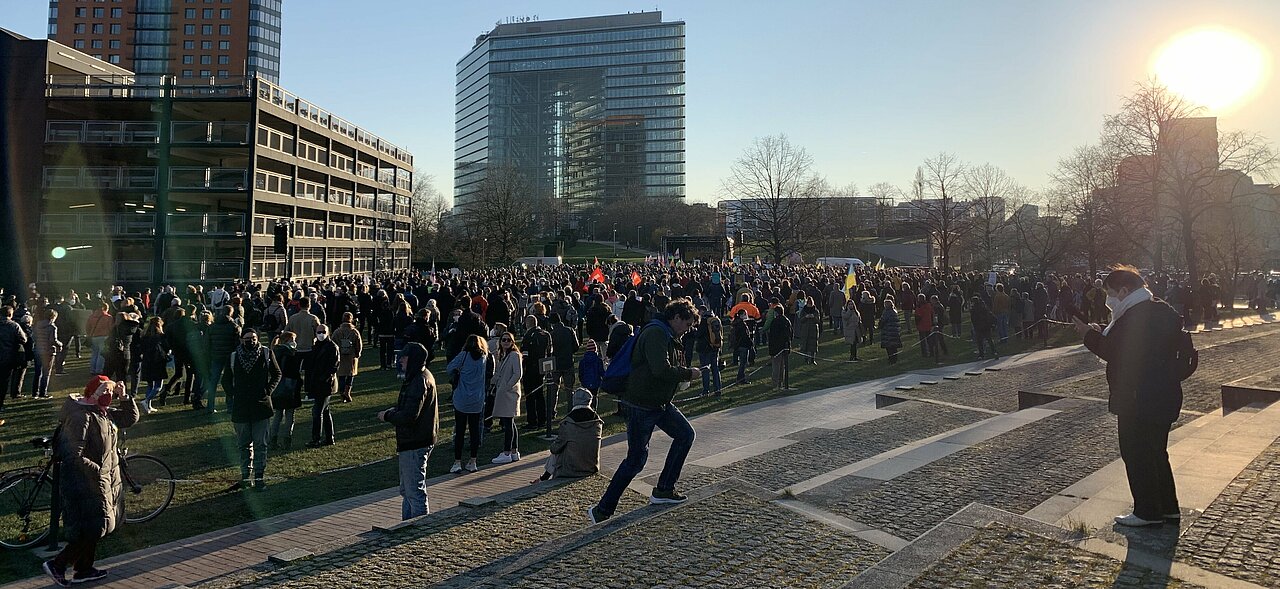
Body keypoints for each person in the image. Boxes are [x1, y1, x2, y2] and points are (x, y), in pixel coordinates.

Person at [1074, 265, 1183, 527]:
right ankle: (1167, 508)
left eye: (1110, 292)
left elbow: (1118, 352)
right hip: (1163, 393)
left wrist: (1087, 335)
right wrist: (1103, 332)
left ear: (1124, 290)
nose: (1108, 299)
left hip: (1138, 397)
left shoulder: (1135, 315)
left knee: (1136, 453)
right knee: (1156, 452)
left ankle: (1147, 512)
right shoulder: (1159, 309)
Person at [589, 298, 700, 524]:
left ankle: (664, 489)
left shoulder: (667, 334)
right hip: (641, 404)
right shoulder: (657, 334)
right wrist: (689, 373)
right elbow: (660, 369)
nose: (687, 331)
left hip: (657, 402)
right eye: (687, 325)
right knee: (636, 460)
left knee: (685, 434)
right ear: (676, 317)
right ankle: (602, 509)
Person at [43, 376, 139, 587]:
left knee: (98, 524)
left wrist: (125, 397)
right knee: (91, 527)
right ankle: (58, 564)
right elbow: (73, 455)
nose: (109, 397)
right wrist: (99, 471)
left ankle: (83, 569)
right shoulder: (81, 417)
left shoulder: (102, 413)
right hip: (84, 481)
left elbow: (129, 419)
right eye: (106, 392)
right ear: (93, 393)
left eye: (111, 393)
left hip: (100, 479)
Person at [378, 342, 439, 520]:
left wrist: (388, 416)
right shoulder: (417, 377)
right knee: (407, 490)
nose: (401, 360)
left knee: (414, 491)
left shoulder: (419, 380)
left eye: (404, 357)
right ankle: (407, 523)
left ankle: (418, 526)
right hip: (414, 440)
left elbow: (410, 415)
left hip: (415, 441)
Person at [221, 330, 281, 490]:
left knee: (261, 444)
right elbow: (225, 379)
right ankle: (246, 477)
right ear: (241, 340)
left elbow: (277, 374)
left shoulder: (266, 354)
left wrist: (268, 391)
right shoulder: (234, 357)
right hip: (241, 406)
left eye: (254, 338)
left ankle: (260, 477)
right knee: (243, 444)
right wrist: (233, 394)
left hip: (261, 406)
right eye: (248, 339)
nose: (251, 342)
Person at [446, 334, 491, 474]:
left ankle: (457, 461)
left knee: (460, 430)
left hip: (461, 397)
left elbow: (449, 368)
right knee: (474, 430)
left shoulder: (464, 355)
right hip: (477, 398)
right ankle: (473, 460)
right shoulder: (484, 357)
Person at [538, 388, 603, 482]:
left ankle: (543, 479)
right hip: (591, 468)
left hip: (570, 470)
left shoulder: (568, 423)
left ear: (574, 400)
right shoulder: (598, 422)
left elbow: (555, 449)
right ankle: (543, 478)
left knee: (559, 448)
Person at [489, 331, 523, 464]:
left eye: (509, 340)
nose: (506, 342)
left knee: (508, 422)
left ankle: (507, 451)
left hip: (509, 392)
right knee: (510, 422)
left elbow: (517, 373)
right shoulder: (503, 355)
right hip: (504, 391)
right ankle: (514, 451)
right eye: (504, 340)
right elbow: (499, 372)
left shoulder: (514, 355)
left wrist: (507, 386)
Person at [305, 324, 340, 448]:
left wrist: (323, 378)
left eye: (323, 332)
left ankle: (316, 439)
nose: (321, 334)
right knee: (324, 411)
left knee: (317, 412)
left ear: (328, 332)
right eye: (319, 332)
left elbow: (333, 367)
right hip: (318, 384)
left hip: (325, 384)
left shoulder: (331, 347)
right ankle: (329, 437)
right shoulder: (316, 347)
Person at [269, 331, 302, 450]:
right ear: (288, 340)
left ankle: (273, 439)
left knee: (277, 415)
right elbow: (294, 373)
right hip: (289, 388)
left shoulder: (274, 352)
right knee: (289, 415)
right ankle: (287, 439)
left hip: (277, 388)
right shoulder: (290, 354)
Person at [137, 317, 170, 414]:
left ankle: (148, 406)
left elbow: (141, 349)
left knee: (150, 385)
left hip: (147, 362)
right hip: (157, 362)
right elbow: (167, 348)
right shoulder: (160, 336)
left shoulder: (144, 336)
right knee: (158, 386)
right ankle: (146, 401)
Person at [0, 307, 28, 413]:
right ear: (10, 314)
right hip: (7, 357)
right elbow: (23, 339)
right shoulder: (13, 326)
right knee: (3, 382)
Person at [332, 313, 363, 403]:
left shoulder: (337, 332)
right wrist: (358, 353)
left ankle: (342, 393)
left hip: (340, 356)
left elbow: (333, 343)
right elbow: (359, 344)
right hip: (351, 356)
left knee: (341, 375)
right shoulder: (354, 331)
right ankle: (347, 392)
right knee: (350, 375)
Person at [693, 305, 722, 397]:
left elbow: (698, 335)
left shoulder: (704, 322)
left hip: (705, 349)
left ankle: (706, 390)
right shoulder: (716, 320)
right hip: (715, 347)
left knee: (705, 369)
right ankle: (718, 389)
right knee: (715, 369)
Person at [33, 309, 62, 399]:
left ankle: (35, 392)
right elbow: (52, 340)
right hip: (48, 351)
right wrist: (60, 344)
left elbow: (34, 337)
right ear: (53, 317)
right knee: (46, 373)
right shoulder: (52, 327)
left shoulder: (38, 325)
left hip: (38, 350)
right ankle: (43, 392)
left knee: (38, 372)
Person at [767, 305, 792, 391]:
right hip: (784, 346)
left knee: (776, 366)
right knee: (782, 366)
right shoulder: (787, 321)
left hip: (776, 347)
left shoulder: (775, 322)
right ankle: (781, 382)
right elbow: (790, 334)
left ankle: (775, 384)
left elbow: (772, 336)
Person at [970, 296, 999, 360]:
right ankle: (994, 352)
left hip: (979, 327)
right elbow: (990, 315)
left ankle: (981, 354)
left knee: (980, 342)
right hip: (986, 326)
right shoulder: (984, 307)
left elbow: (973, 320)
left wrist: (975, 327)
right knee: (989, 340)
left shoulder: (974, 309)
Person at [730, 310, 754, 384]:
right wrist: (751, 342)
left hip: (738, 345)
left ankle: (740, 377)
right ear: (742, 315)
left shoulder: (736, 323)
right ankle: (741, 378)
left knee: (742, 363)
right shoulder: (742, 324)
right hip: (743, 345)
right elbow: (745, 336)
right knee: (743, 363)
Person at [881, 298, 902, 364]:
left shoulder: (887, 312)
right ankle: (894, 359)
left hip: (889, 331)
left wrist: (880, 324)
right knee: (893, 346)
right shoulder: (894, 311)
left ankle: (891, 359)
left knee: (889, 347)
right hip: (894, 331)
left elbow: (883, 321)